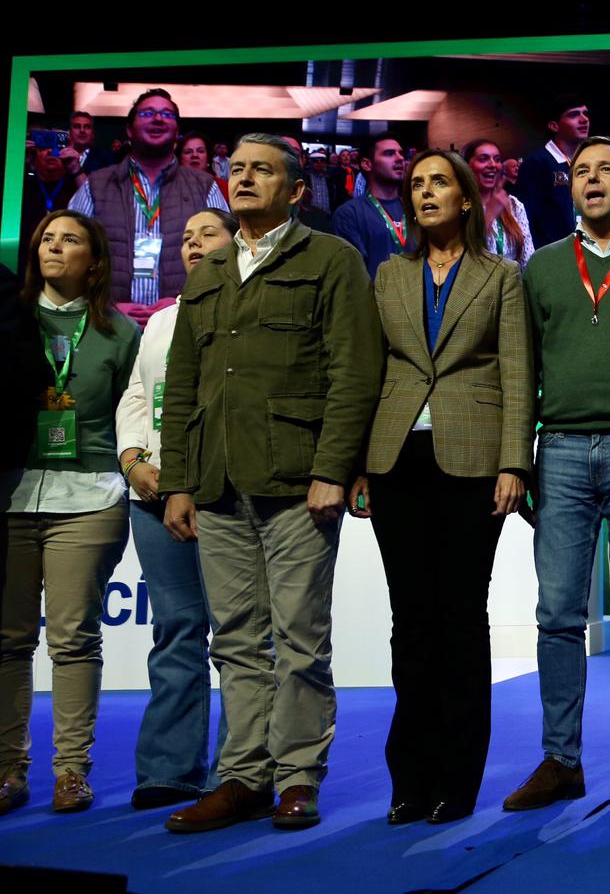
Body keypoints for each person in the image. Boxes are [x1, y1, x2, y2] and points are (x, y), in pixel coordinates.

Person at [159, 134, 382, 833]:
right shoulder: (209, 271)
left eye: (262, 170)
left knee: (300, 641)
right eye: (236, 170)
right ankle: (243, 777)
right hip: (218, 479)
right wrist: (178, 482)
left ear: (295, 190)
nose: (244, 178)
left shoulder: (332, 259)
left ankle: (297, 778)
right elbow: (185, 384)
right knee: (234, 638)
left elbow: (354, 371)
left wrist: (331, 469)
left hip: (296, 483)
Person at [348, 149, 530, 825]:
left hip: (474, 460)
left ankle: (457, 778)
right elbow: (370, 370)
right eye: (418, 183)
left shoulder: (502, 276)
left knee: (459, 618)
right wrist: (358, 464)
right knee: (410, 622)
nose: (425, 192)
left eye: (438, 183)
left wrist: (515, 462)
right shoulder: (387, 275)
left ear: (464, 198)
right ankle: (410, 778)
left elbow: (517, 373)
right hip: (396, 459)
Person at [506, 136, 610, 815]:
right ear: (569, 187)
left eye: (607, 170)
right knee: (556, 614)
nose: (592, 179)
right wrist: (518, 460)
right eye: (581, 171)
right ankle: (560, 761)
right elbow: (520, 371)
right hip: (564, 452)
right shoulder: (542, 268)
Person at [0, 211, 140, 815]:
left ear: (95, 259)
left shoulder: (120, 333)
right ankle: (8, 769)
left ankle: (72, 771)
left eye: (71, 240)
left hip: (90, 497)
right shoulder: (10, 319)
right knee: (7, 642)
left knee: (72, 639)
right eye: (47, 239)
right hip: (9, 494)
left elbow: (135, 416)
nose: (56, 247)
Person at [114, 208, 240, 809]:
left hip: (222, 492)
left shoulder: (247, 310)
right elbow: (137, 394)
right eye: (185, 239)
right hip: (154, 494)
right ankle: (169, 768)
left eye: (206, 234)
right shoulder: (161, 321)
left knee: (239, 637)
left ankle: (238, 770)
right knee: (176, 631)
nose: (193, 245)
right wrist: (134, 460)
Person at [69, 89, 228, 322]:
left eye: (167, 114)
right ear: (129, 130)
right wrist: (103, 304)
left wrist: (181, 301)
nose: (157, 118)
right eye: (147, 113)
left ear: (177, 133)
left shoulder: (204, 187)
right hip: (108, 325)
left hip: (183, 324)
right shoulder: (96, 186)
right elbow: (70, 257)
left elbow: (227, 258)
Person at [332, 133, 411, 279]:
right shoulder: (349, 213)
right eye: (389, 154)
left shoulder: (414, 209)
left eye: (401, 153)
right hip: (376, 299)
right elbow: (354, 275)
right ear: (367, 164)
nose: (400, 158)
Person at [524, 95, 591, 248]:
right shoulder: (537, 162)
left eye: (585, 114)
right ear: (554, 126)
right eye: (574, 115)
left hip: (585, 248)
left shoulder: (587, 162)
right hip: (553, 253)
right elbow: (528, 218)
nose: (584, 119)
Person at [463, 138, 534, 267]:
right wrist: (489, 214)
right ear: (466, 166)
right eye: (483, 159)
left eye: (497, 159)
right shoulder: (460, 206)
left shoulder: (513, 204)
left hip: (512, 284)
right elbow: (463, 256)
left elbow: (527, 259)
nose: (493, 165)